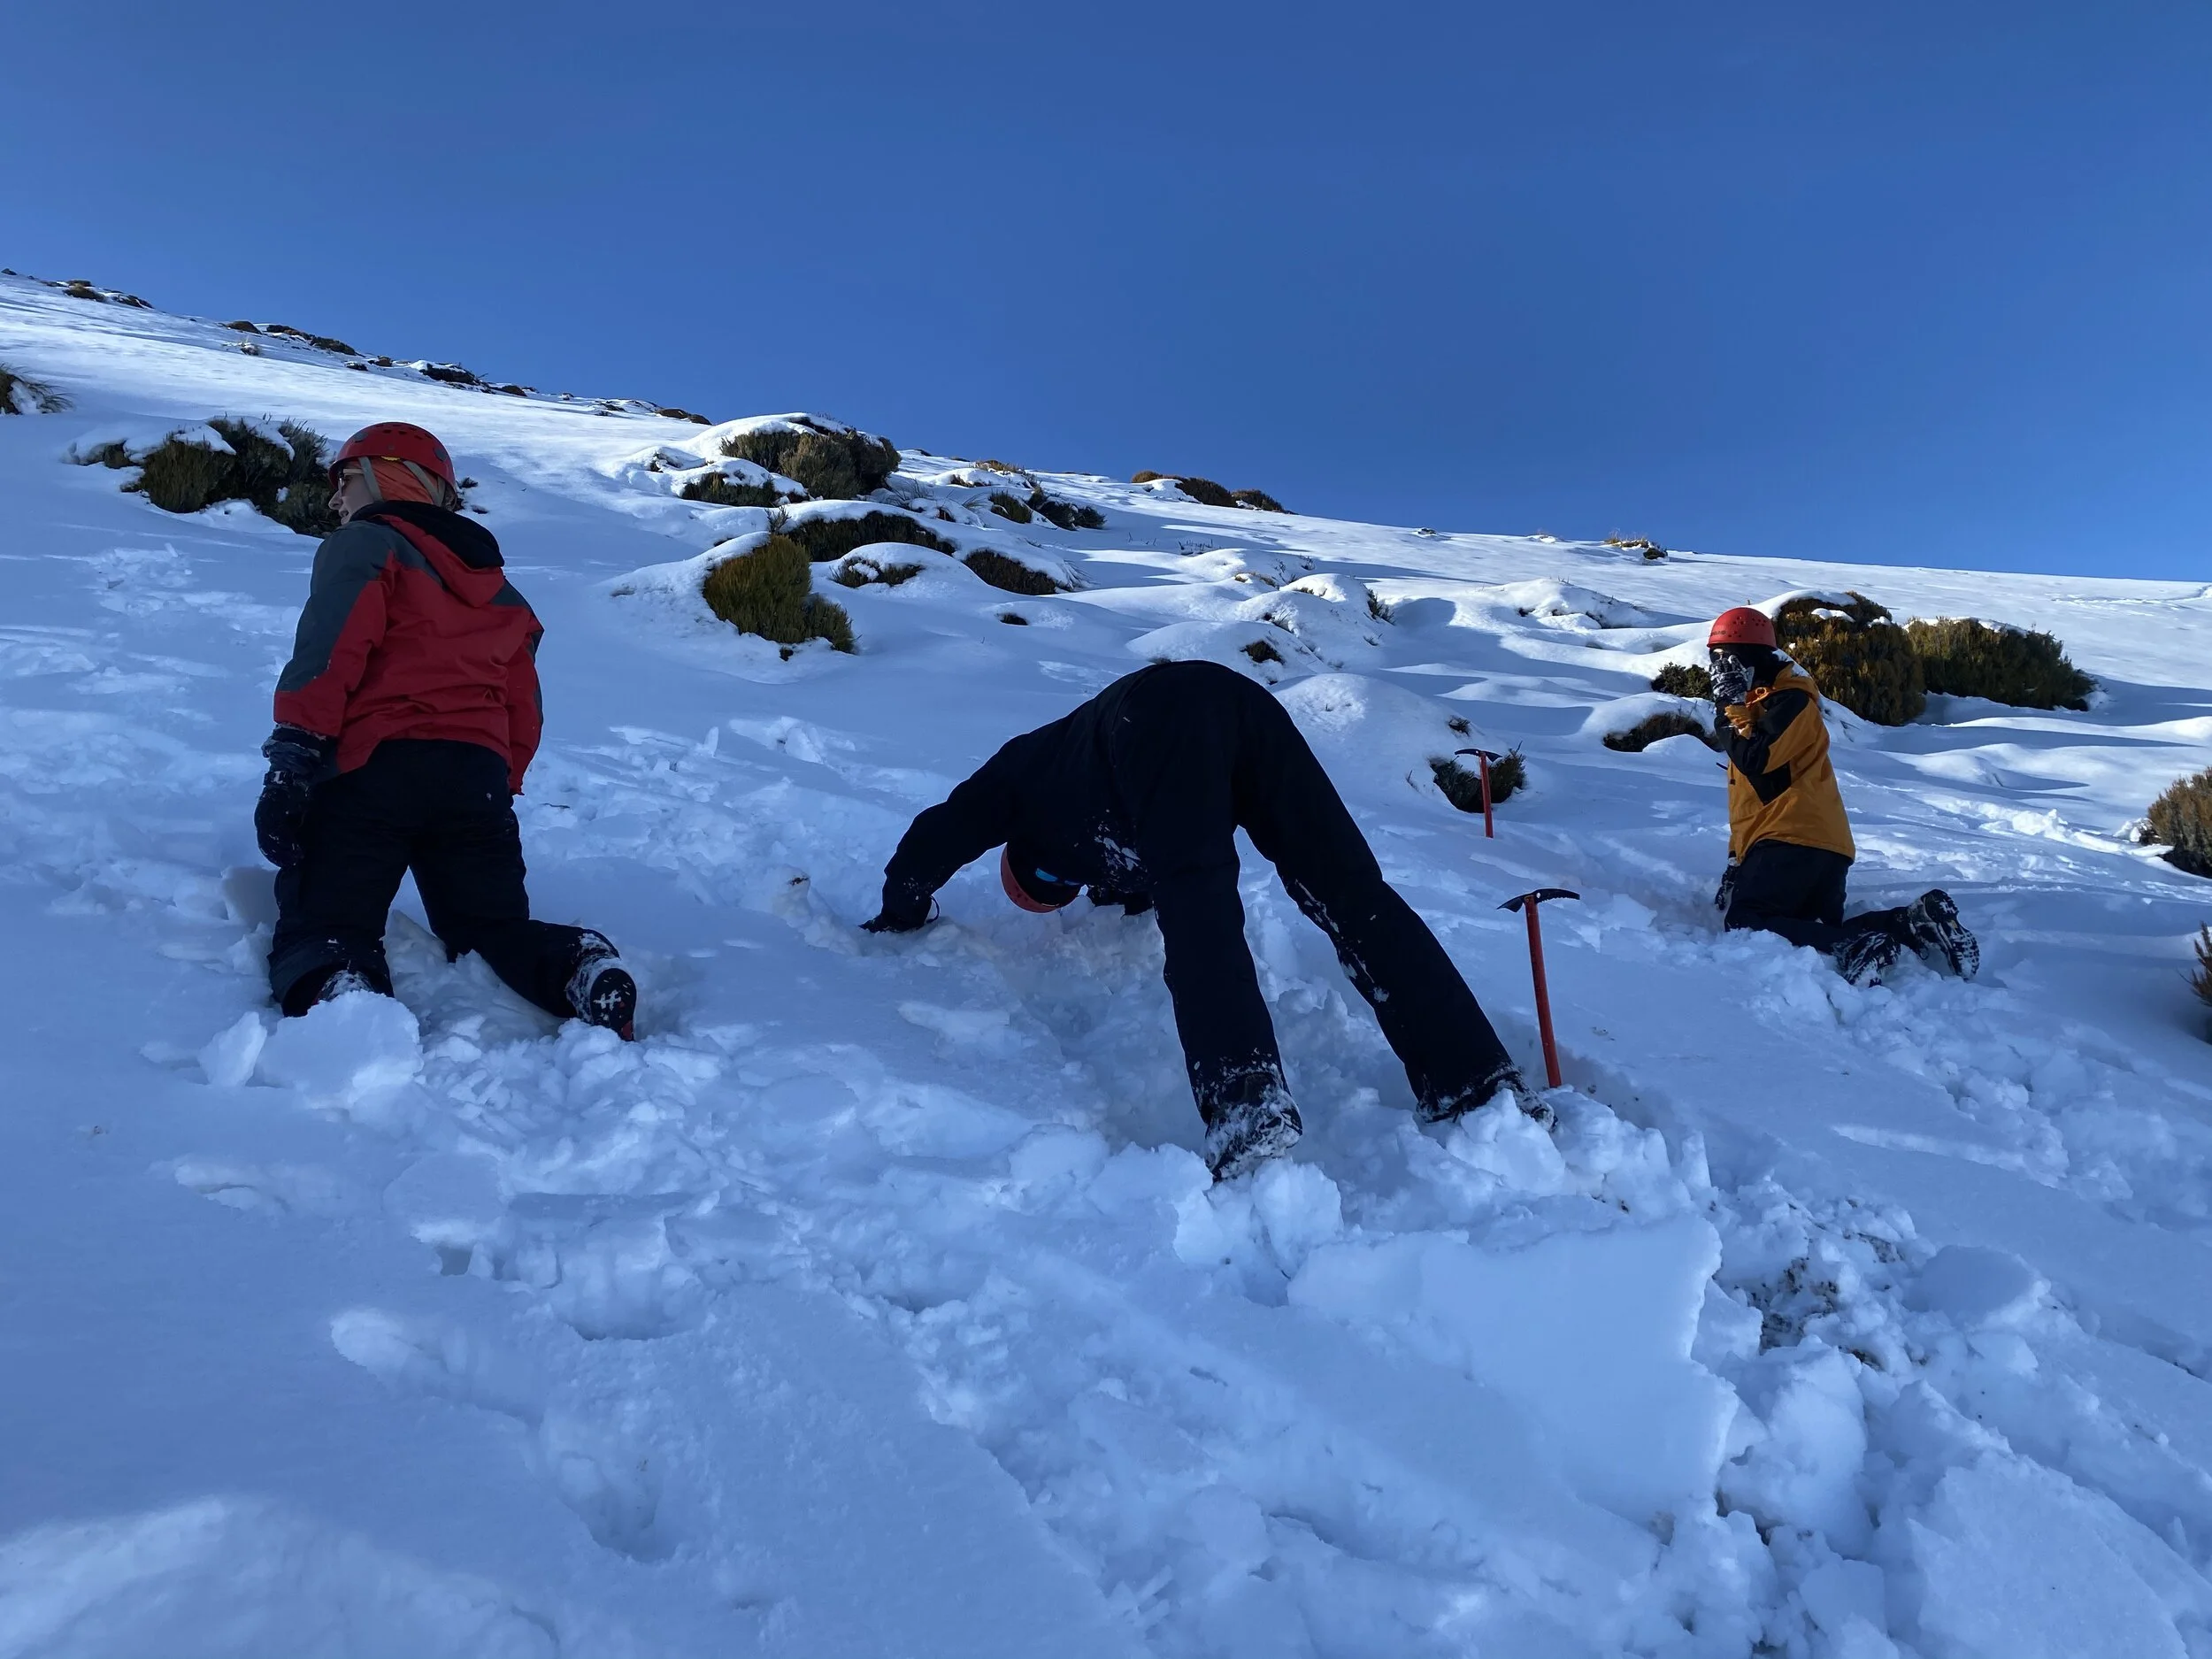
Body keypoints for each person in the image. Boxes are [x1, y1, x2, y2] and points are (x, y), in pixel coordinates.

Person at [862, 659, 1525, 1179]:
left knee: (1201, 903)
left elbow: (941, 832)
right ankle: (1474, 1076)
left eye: (1049, 886)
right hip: (1248, 709)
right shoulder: (1098, 843)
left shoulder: (1020, 780)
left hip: (1151, 716)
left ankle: (1247, 1101)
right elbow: (1139, 855)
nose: (1072, 885)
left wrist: (902, 907)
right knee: (1349, 889)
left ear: (1027, 858)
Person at [254, 421, 636, 1036]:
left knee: (330, 919)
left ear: (386, 477)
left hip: (373, 767)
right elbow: (523, 702)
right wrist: (498, 781)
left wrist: (292, 759)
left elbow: (330, 651)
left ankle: (342, 997)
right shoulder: (502, 591)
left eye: (345, 481)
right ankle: (578, 966)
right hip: (474, 779)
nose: (335, 501)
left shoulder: (367, 544)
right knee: (488, 927)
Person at [1708, 606, 1978, 985]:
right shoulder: (1760, 708)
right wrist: (1738, 861)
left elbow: (1756, 760)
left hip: (1792, 840)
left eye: (1728, 659)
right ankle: (1910, 923)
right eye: (1715, 660)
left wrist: (1726, 706)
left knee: (1745, 920)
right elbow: (1757, 794)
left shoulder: (1791, 701)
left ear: (1754, 658)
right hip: (1811, 844)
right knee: (1803, 927)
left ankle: (1856, 943)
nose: (1721, 670)